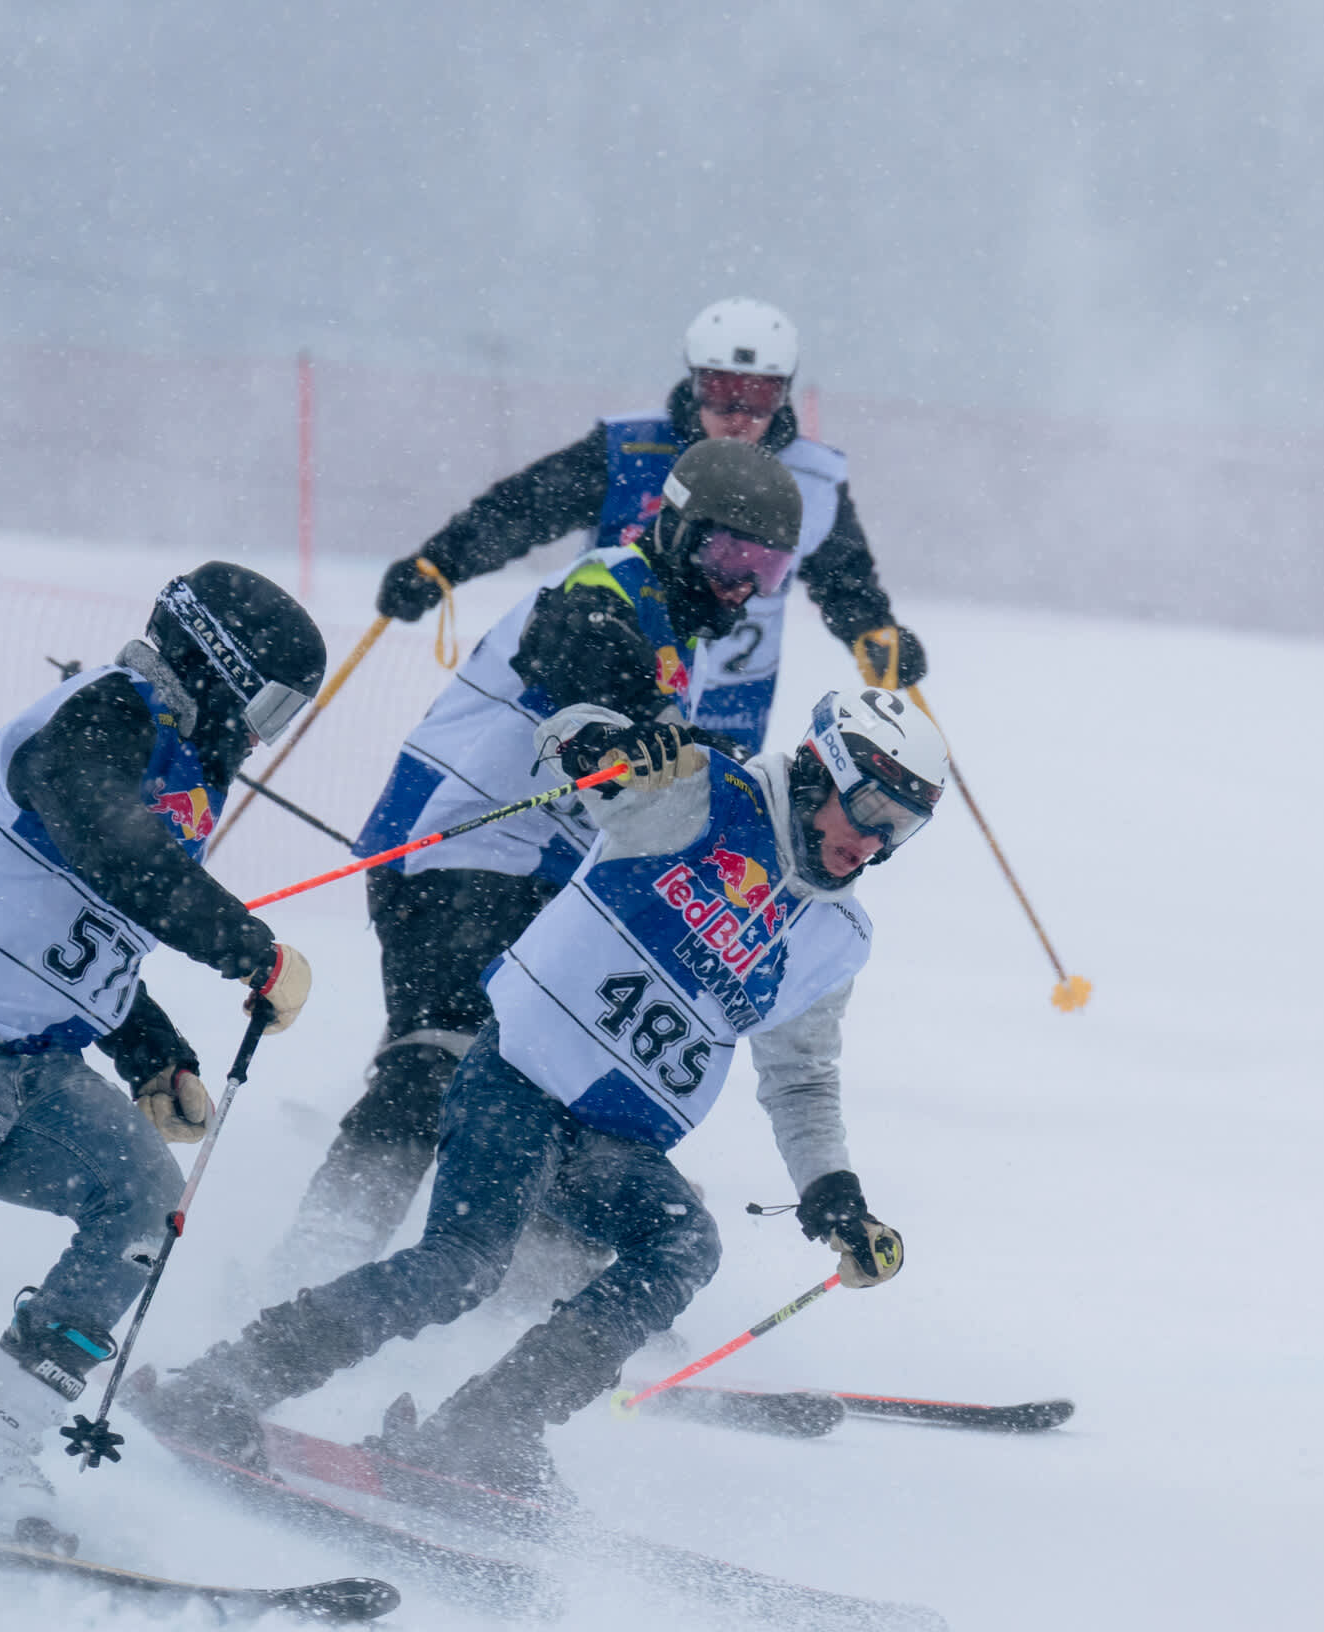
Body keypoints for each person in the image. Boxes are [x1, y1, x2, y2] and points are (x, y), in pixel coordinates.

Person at [144, 687, 941, 1501]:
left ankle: (486, 1430)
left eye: (901, 827)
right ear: (817, 770)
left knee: (684, 1243)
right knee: (463, 1266)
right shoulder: (704, 795)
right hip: (519, 1080)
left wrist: (834, 1192)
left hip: (616, 1143)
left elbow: (802, 1077)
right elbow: (563, 737)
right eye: (869, 807)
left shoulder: (837, 936)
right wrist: (610, 742)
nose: (873, 840)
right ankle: (225, 1381)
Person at [275, 437, 806, 1282]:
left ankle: (541, 1278)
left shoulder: (688, 643)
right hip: (452, 846)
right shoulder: (610, 582)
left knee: (542, 1075)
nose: (740, 586)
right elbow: (571, 644)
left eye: (765, 571)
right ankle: (320, 1253)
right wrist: (638, 718)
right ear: (676, 528)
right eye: (729, 557)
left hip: (540, 879)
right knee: (441, 1054)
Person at [0, 566, 320, 1527]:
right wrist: (250, 950)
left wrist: (152, 1055)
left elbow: (92, 926)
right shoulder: (102, 713)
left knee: (141, 1205)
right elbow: (115, 852)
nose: (264, 732)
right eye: (271, 705)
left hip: (28, 1066)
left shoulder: (179, 767)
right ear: (220, 665)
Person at [370, 299, 924, 752]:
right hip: (613, 671)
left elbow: (844, 576)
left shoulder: (815, 479)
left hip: (733, 697)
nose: (738, 414)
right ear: (695, 382)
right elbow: (525, 508)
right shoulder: (629, 450)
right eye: (721, 390)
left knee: (705, 831)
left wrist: (874, 632)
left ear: (783, 394)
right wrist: (442, 562)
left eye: (758, 395)